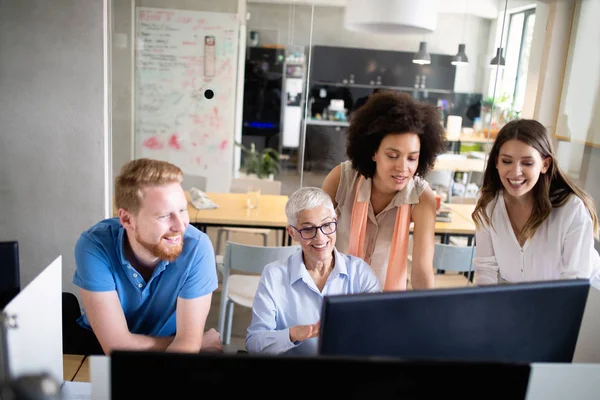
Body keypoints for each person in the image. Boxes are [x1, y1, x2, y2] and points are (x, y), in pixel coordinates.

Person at [72, 158, 222, 355]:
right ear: (127, 219)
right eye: (164, 216)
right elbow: (116, 349)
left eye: (182, 210)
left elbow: (186, 345)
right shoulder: (94, 245)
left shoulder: (197, 248)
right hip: (98, 349)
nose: (180, 225)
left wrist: (188, 343)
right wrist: (192, 342)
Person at [322, 90, 446, 290]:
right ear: (373, 152)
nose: (402, 168)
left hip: (386, 302)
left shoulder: (421, 197)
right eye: (392, 155)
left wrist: (426, 313)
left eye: (412, 158)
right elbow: (314, 244)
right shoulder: (341, 179)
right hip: (335, 294)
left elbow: (422, 271)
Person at [245, 187, 381, 356]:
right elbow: (254, 343)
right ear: (292, 233)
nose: (321, 237)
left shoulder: (360, 273)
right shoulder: (274, 275)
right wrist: (293, 334)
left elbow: (379, 334)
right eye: (308, 229)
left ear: (335, 221)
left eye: (327, 225)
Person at [472, 119, 600, 285]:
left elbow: (573, 282)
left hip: (589, 300)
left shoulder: (571, 209)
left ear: (545, 164)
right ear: (496, 162)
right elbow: (486, 268)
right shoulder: (488, 203)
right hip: (532, 300)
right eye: (507, 161)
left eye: (527, 163)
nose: (516, 172)